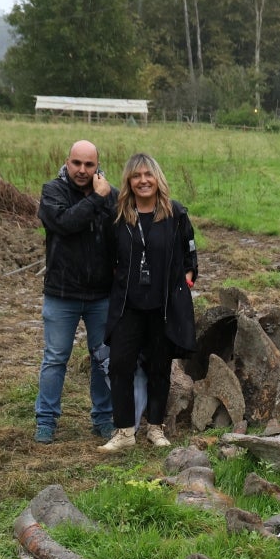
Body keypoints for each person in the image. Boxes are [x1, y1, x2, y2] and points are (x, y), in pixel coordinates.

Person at [99, 153, 198, 453]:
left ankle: (156, 427)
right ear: (129, 181)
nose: (143, 181)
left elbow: (189, 250)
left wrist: (188, 277)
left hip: (162, 306)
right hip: (128, 305)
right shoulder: (118, 216)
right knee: (120, 365)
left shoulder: (175, 213)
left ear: (157, 179)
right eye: (136, 176)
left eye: (148, 175)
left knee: (159, 367)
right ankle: (124, 431)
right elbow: (109, 256)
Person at [34, 140, 118, 444]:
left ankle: (103, 419)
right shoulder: (53, 192)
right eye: (77, 163)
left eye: (89, 164)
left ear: (97, 166)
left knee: (102, 359)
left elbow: (122, 236)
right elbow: (65, 223)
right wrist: (97, 198)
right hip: (62, 293)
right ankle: (46, 421)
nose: (82, 170)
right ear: (67, 162)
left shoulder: (112, 196)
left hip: (101, 296)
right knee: (56, 358)